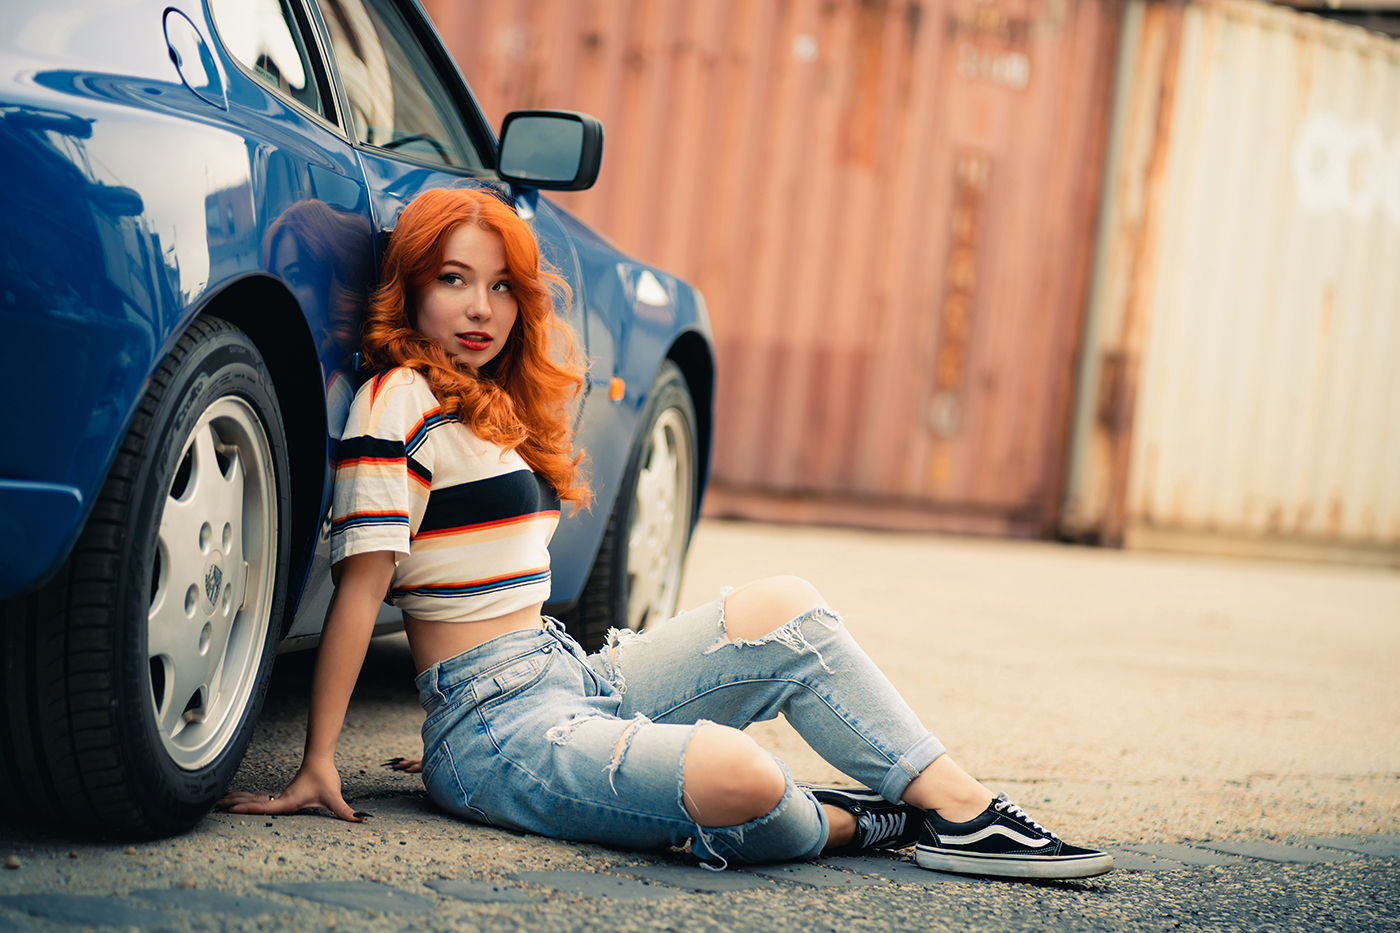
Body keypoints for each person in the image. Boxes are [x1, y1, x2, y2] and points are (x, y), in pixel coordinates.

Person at [218, 186, 1112, 880]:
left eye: (500, 286)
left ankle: (964, 809)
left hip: (567, 674)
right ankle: (863, 820)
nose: (480, 308)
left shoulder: (488, 404)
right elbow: (364, 585)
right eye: (453, 280)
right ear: (410, 287)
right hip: (497, 727)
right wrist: (321, 761)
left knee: (787, 608)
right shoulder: (395, 403)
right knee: (743, 778)